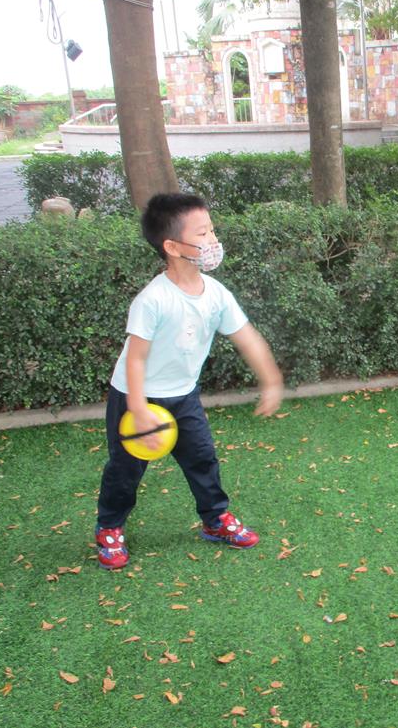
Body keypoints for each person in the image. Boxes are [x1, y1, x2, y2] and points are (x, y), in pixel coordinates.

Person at [95, 193, 284, 570]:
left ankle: (215, 519)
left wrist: (271, 379)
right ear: (171, 246)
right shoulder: (153, 299)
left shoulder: (216, 294)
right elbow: (136, 359)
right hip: (135, 396)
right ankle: (110, 527)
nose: (213, 240)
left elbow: (247, 337)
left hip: (183, 396)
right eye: (202, 233)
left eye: (212, 230)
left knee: (202, 458)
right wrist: (138, 410)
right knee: (125, 469)